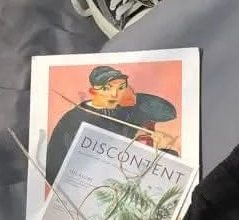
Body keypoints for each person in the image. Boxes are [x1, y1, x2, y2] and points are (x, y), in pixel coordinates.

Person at [45, 65, 177, 183]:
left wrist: (136, 98)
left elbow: (169, 113)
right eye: (106, 89)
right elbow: (53, 169)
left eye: (121, 88)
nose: (115, 94)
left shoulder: (127, 109)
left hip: (124, 168)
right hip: (92, 179)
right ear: (93, 91)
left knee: (171, 158)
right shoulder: (73, 119)